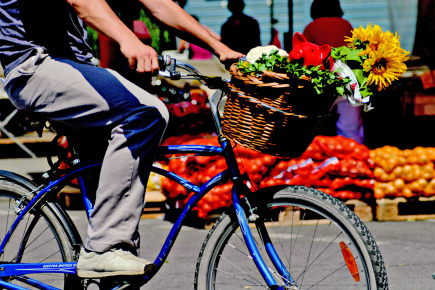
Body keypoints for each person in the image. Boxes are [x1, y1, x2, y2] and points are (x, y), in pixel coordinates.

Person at [0, 0, 243, 278]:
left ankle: (109, 258)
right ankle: (104, 248)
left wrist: (220, 48)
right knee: (147, 113)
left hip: (74, 67)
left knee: (116, 193)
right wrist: (130, 41)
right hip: (35, 67)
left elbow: (160, 4)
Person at [303, 0, 365, 144]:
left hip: (323, 84)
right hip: (349, 81)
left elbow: (304, 58)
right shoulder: (347, 25)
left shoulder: (311, 27)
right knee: (351, 128)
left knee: (316, 127)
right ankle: (354, 159)